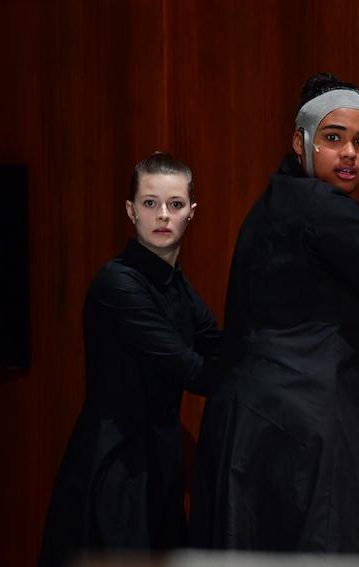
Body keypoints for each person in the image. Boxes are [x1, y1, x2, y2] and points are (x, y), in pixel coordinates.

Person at [189, 74, 359, 553]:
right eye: (334, 138)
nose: (350, 153)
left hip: (256, 427)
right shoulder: (321, 206)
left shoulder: (269, 206)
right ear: (301, 142)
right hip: (307, 427)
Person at [39, 153, 221, 565]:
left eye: (175, 204)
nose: (163, 215)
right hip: (116, 467)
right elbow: (190, 369)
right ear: (131, 210)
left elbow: (219, 347)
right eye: (150, 203)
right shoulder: (117, 283)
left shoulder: (178, 286)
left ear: (191, 212)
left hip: (159, 466)